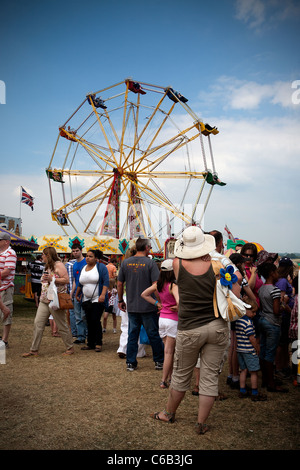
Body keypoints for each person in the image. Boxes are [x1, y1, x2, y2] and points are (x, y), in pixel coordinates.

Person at [151, 226, 229, 435]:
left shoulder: (178, 264)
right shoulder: (217, 264)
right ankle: (201, 423)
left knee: (181, 375)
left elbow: (181, 263)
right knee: (210, 377)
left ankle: (168, 413)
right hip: (217, 326)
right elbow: (234, 286)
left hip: (190, 327)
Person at [117, 237, 164, 371]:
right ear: (147, 248)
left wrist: (120, 300)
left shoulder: (126, 263)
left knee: (132, 335)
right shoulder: (150, 264)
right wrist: (159, 302)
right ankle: (159, 361)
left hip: (132, 305)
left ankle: (130, 362)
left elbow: (120, 283)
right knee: (153, 334)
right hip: (148, 306)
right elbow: (156, 285)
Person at [22, 247, 74, 357]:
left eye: (43, 255)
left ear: (48, 255)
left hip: (56, 300)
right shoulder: (47, 266)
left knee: (61, 324)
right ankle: (34, 350)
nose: (42, 257)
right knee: (38, 323)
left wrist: (52, 279)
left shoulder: (59, 265)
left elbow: (66, 280)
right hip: (44, 299)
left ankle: (70, 347)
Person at [141, 259, 179, 388]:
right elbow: (179, 302)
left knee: (167, 352)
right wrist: (178, 307)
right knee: (169, 352)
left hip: (162, 319)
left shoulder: (158, 284)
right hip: (173, 320)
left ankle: (170, 378)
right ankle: (164, 380)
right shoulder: (173, 286)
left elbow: (144, 294)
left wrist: (158, 304)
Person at [257, 262, 288, 393]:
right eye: (275, 272)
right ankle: (271, 383)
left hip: (263, 320)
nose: (277, 275)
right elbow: (276, 310)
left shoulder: (262, 289)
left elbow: (263, 307)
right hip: (272, 323)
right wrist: (283, 304)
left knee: (263, 351)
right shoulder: (275, 290)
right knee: (270, 353)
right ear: (271, 273)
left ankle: (264, 379)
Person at [76, 249, 109, 352]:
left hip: (97, 298)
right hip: (86, 299)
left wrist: (103, 295)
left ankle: (98, 343)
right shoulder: (83, 267)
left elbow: (105, 282)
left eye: (90, 256)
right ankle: (90, 343)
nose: (87, 258)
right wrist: (77, 294)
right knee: (88, 320)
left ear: (96, 258)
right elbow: (80, 283)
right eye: (87, 256)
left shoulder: (101, 267)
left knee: (95, 319)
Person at [235, 296, 267, 401]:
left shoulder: (238, 321)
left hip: (240, 349)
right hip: (249, 350)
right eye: (253, 312)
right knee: (254, 371)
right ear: (246, 309)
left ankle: (242, 389)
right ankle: (254, 391)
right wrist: (257, 347)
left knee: (243, 370)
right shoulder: (248, 323)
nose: (254, 314)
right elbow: (252, 338)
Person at [275, 257, 295, 379]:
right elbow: (282, 301)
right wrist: (290, 310)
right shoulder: (282, 281)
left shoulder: (281, 279)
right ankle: (279, 368)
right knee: (281, 344)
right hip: (284, 316)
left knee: (284, 344)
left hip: (285, 316)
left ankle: (283, 366)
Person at [0, 232, 17, 348]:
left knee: (6, 312)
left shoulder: (10, 253)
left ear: (6, 241)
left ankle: (5, 340)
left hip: (5, 288)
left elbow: (7, 271)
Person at [70, 243, 87, 345]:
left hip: (85, 293)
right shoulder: (74, 264)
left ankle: (88, 335)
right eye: (73, 251)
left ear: (81, 251)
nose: (75, 253)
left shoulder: (86, 262)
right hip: (76, 292)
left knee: (85, 315)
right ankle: (81, 337)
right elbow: (74, 280)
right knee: (77, 316)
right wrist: (72, 293)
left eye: (77, 251)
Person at [65, 252, 77, 338]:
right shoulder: (82, 263)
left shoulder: (67, 265)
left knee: (71, 312)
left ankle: (73, 331)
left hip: (69, 291)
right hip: (79, 291)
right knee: (80, 313)